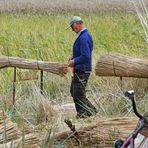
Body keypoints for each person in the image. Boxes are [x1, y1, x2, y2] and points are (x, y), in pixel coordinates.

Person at [67, 16, 97, 119]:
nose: (72, 29)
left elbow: (86, 56)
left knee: (78, 93)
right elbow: (83, 53)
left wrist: (74, 61)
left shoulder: (84, 37)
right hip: (81, 69)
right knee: (74, 91)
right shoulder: (83, 35)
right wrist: (73, 57)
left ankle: (83, 114)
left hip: (82, 70)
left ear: (78, 24)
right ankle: (91, 111)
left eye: (72, 27)